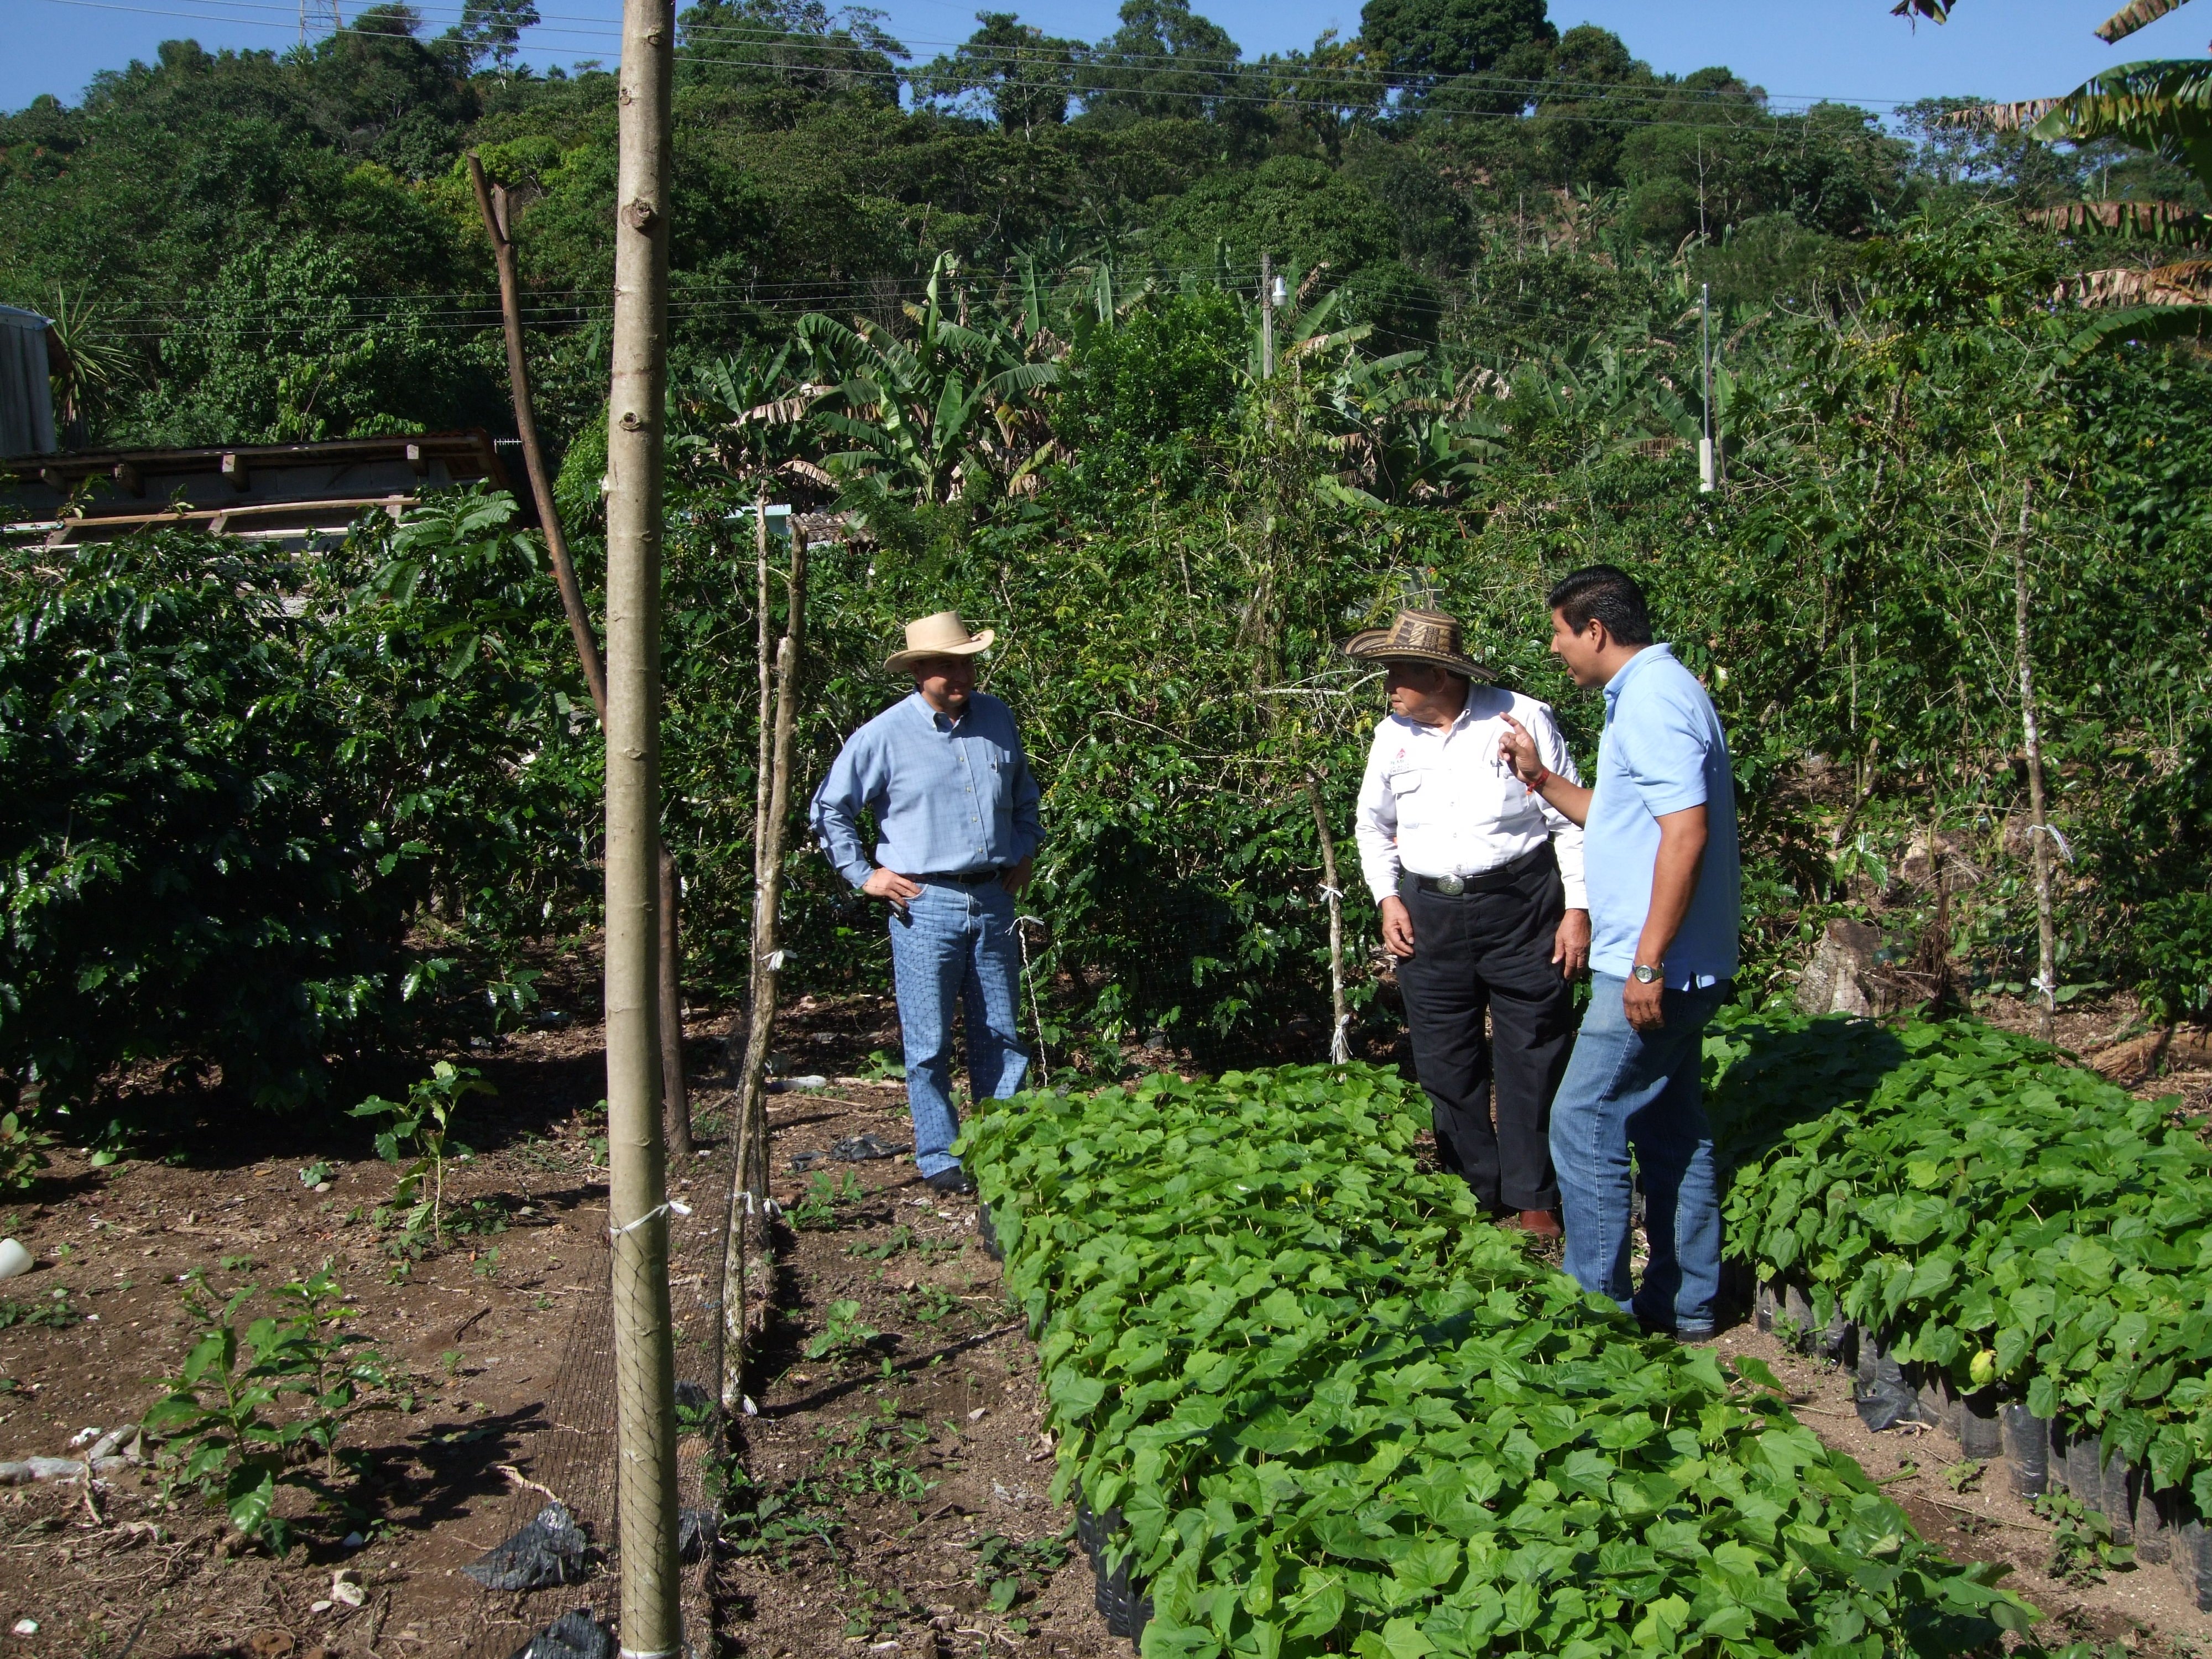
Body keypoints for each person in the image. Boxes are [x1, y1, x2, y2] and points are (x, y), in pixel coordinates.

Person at [1497, 566, 1741, 1339]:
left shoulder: (1654, 702)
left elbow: (1685, 833)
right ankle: (1685, 1306)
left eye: (1559, 633)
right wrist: (1540, 778)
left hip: (1655, 965)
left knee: (1582, 1117)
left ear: (1595, 631)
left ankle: (1597, 1317)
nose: (1555, 649)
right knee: (1670, 1127)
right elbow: (1621, 817)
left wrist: (1646, 962)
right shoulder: (1652, 693)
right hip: (1672, 961)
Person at [1347, 608, 1590, 1235]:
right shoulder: (1391, 736)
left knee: (1533, 1047)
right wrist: (1387, 899)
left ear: (1438, 675)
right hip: (1427, 912)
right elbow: (1372, 825)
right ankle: (1473, 1193)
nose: (1388, 687)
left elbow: (1568, 823)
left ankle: (1535, 1192)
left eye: (1398, 673)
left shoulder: (1520, 719)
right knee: (1443, 1057)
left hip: (1521, 905)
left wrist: (1578, 909)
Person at [810, 611, 1041, 1197]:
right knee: (929, 1042)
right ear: (918, 672)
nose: (959, 675)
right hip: (923, 904)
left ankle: (1002, 1146)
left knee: (1001, 1032)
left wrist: (1024, 850)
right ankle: (940, 1156)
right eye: (944, 666)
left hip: (993, 897)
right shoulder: (883, 736)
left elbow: (1024, 795)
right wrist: (864, 875)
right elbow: (830, 808)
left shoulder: (997, 717)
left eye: (965, 663)